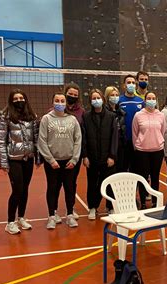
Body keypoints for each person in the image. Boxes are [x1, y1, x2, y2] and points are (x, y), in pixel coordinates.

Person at [0, 89, 40, 235]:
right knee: (17, 189)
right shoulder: (5, 116)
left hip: (28, 157)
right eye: (15, 98)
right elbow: (1, 140)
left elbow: (36, 138)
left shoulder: (32, 116)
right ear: (11, 100)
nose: (19, 100)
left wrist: (38, 158)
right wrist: (3, 162)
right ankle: (10, 222)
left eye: (21, 98)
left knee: (25, 189)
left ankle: (21, 217)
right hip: (13, 158)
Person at [38, 92, 82, 229]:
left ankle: (69, 215)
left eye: (62, 101)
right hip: (53, 162)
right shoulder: (46, 119)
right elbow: (42, 140)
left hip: (69, 161)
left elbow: (78, 140)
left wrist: (74, 159)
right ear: (53, 102)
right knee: (52, 188)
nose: (60, 103)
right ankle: (52, 215)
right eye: (57, 100)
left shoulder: (72, 119)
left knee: (69, 188)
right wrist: (50, 160)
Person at [82, 89, 119, 220]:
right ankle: (93, 207)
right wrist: (84, 156)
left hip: (107, 158)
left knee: (109, 183)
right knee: (92, 183)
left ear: (103, 99)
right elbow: (84, 138)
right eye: (93, 98)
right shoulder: (86, 117)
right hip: (92, 158)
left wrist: (112, 156)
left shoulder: (111, 116)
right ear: (91, 101)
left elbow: (115, 137)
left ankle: (110, 206)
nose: (96, 100)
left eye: (98, 98)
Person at [132, 92, 166, 208]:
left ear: (156, 100)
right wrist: (137, 145)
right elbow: (135, 133)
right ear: (145, 100)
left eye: (153, 98)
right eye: (149, 98)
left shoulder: (161, 115)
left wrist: (159, 142)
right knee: (143, 177)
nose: (151, 100)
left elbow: (162, 131)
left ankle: (155, 202)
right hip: (142, 151)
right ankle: (142, 203)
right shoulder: (138, 115)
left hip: (157, 151)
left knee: (155, 177)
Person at [62, 82, 85, 220]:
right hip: (58, 153)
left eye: (75, 95)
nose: (72, 96)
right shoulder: (55, 110)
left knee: (71, 182)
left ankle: (70, 208)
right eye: (70, 94)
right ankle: (52, 211)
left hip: (75, 154)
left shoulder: (81, 112)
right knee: (56, 184)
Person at [118, 74, 144, 172]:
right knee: (123, 168)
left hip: (137, 141)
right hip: (123, 141)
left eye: (133, 83)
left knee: (136, 170)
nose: (131, 85)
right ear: (124, 85)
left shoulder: (141, 102)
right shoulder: (119, 101)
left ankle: (135, 187)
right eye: (129, 83)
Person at [104, 86, 126, 172]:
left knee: (120, 171)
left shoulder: (121, 112)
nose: (115, 97)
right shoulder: (105, 113)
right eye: (112, 95)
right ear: (107, 97)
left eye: (117, 95)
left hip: (120, 146)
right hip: (109, 148)